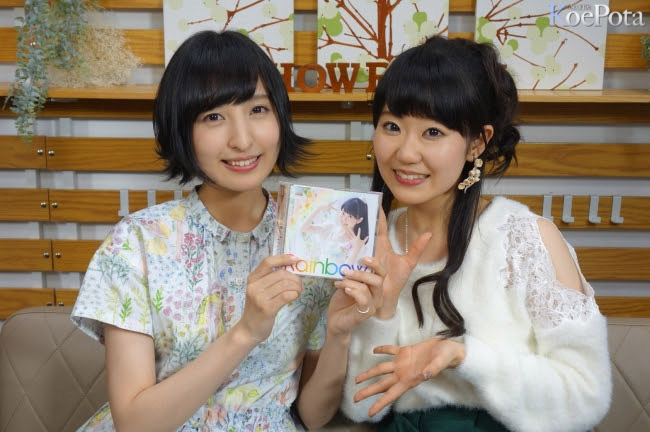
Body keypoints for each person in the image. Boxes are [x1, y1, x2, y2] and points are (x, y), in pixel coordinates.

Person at [70, 30, 388, 432]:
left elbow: (312, 416)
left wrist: (339, 334)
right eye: (214, 117)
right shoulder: (137, 243)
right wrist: (245, 333)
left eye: (258, 110)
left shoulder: (313, 238)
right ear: (182, 129)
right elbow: (135, 424)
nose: (242, 139)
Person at [340, 36, 612, 432]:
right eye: (392, 126)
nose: (406, 153)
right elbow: (362, 406)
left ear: (477, 143)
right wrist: (381, 312)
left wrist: (463, 356)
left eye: (433, 132)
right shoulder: (369, 241)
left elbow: (587, 395)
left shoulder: (526, 239)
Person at [300, 197, 371, 266]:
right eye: (343, 213)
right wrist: (319, 208)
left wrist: (356, 249)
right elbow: (304, 228)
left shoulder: (358, 244)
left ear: (359, 220)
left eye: (350, 216)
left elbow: (346, 270)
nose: (344, 219)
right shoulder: (330, 228)